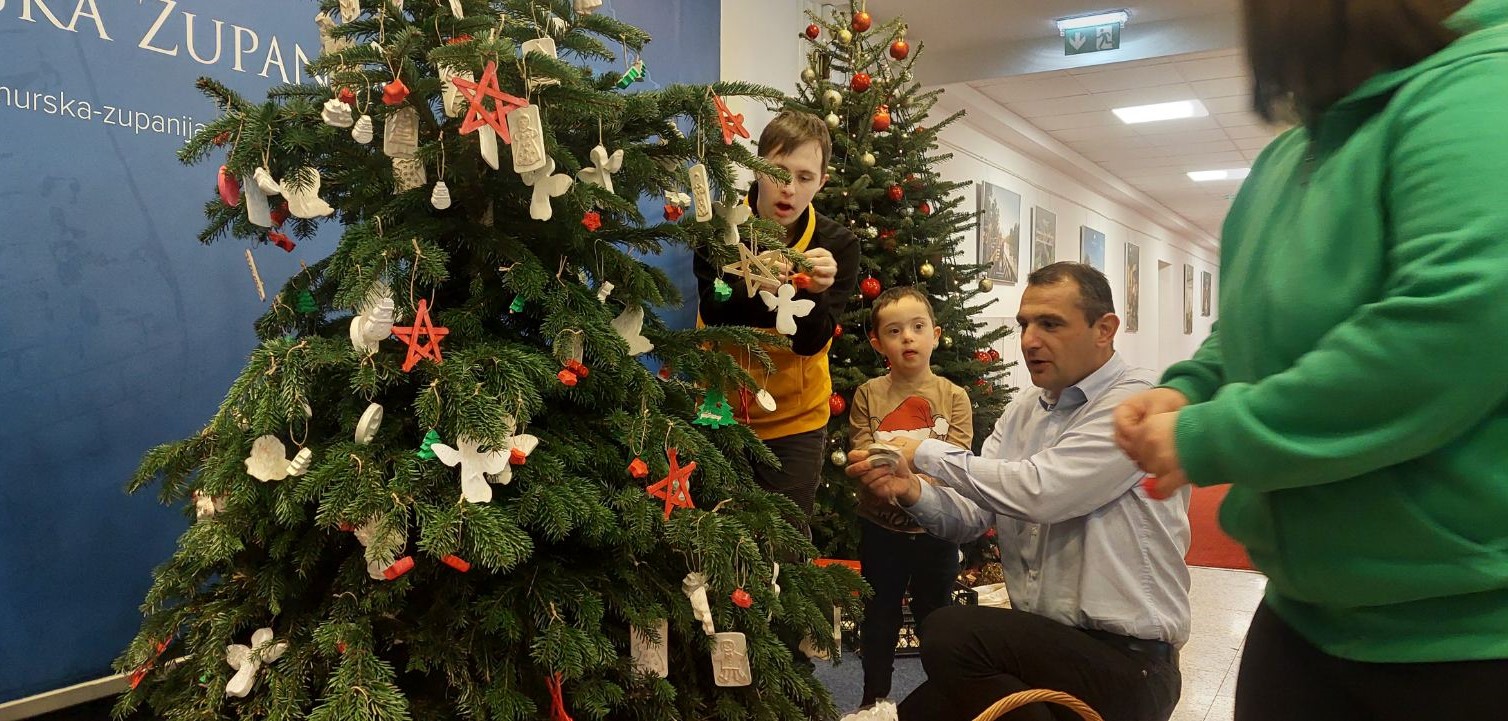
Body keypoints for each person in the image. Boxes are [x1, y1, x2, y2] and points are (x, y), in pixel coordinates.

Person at [1113, 1, 1508, 719]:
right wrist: (1192, 389)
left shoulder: (1481, 90)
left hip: (1467, 642)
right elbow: (1250, 324)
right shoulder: (1291, 154)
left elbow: (1449, 331)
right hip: (1303, 619)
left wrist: (1214, 435)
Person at [848, 262, 1190, 721]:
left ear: (1104, 329)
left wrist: (924, 454)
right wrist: (911, 492)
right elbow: (971, 518)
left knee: (950, 631)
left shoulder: (1137, 404)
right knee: (919, 712)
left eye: (1051, 324)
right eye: (1025, 324)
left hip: (1131, 664)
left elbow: (1042, 492)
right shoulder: (1024, 410)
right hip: (1043, 647)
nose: (1030, 340)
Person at [694, 109, 860, 526]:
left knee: (784, 546)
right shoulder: (721, 229)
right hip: (720, 411)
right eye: (777, 172)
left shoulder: (837, 244)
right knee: (713, 537)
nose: (788, 189)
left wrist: (815, 294)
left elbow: (811, 341)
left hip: (796, 421)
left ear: (822, 182)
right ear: (756, 168)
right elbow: (713, 309)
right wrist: (759, 282)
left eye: (805, 178)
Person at [848, 286, 973, 710]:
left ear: (935, 334)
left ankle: (947, 698)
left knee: (935, 618)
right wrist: (873, 467)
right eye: (895, 330)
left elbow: (956, 464)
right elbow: (863, 452)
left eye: (918, 328)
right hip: (880, 530)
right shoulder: (868, 394)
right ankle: (873, 700)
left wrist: (911, 481)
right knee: (879, 617)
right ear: (877, 342)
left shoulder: (954, 397)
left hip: (936, 532)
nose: (908, 338)